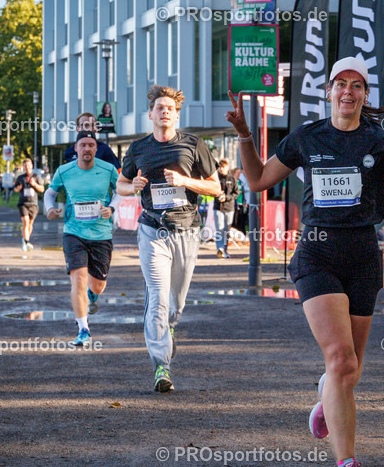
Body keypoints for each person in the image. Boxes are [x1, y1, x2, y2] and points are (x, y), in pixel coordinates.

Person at [226, 55, 384, 467]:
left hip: (362, 259)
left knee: (349, 372)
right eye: (341, 83)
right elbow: (259, 179)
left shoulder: (379, 141)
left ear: (365, 96)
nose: (348, 92)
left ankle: (327, 400)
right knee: (340, 360)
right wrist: (244, 137)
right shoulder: (307, 137)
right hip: (316, 255)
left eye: (357, 85)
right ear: (329, 91)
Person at [117, 85, 220, 393]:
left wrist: (186, 180)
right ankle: (161, 365)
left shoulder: (193, 144)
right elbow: (121, 185)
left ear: (177, 114)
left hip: (187, 230)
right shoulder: (138, 149)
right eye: (159, 107)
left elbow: (215, 188)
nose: (164, 111)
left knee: (175, 304)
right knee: (158, 297)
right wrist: (132, 185)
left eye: (169, 108)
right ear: (150, 114)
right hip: (152, 229)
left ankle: (169, 329)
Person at [44, 131, 119, 347]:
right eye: (83, 145)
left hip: (101, 235)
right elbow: (50, 193)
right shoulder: (64, 171)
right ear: (76, 149)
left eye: (91, 145)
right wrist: (49, 208)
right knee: (78, 278)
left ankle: (92, 296)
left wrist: (111, 207)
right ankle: (83, 329)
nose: (87, 149)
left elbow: (121, 191)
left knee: (97, 287)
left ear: (96, 149)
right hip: (73, 232)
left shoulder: (108, 169)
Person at [13, 158, 44, 252]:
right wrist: (18, 188)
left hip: (33, 204)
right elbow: (15, 189)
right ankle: (25, 243)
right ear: (23, 167)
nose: (27, 167)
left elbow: (42, 189)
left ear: (32, 166)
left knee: (30, 224)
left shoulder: (36, 176)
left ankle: (25, 240)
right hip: (23, 203)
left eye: (28, 165)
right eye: (25, 166)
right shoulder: (20, 178)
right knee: (26, 222)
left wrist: (34, 184)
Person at [213, 159, 239, 259]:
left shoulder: (232, 178)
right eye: (220, 167)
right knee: (219, 229)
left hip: (229, 208)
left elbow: (236, 193)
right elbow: (210, 190)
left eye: (223, 167)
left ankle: (225, 249)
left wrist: (226, 198)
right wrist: (218, 196)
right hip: (218, 207)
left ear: (227, 167)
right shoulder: (215, 178)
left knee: (226, 230)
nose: (221, 169)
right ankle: (219, 249)